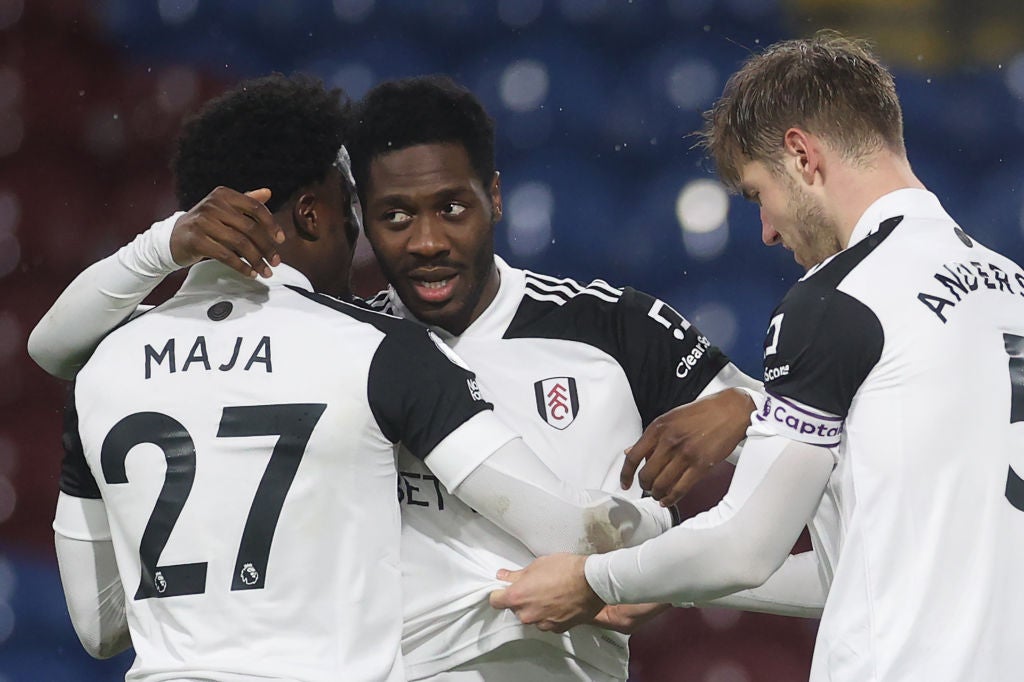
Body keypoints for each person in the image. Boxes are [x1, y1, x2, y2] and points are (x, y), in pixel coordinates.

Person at [30, 75, 813, 681]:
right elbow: (583, 537)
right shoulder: (360, 348)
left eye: (453, 208)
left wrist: (745, 405)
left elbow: (805, 451)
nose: (429, 241)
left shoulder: (613, 324)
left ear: (495, 199)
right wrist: (639, 557)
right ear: (352, 219)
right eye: (394, 217)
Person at [489, 31, 1024, 682]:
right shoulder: (1011, 286)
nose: (767, 231)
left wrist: (592, 579)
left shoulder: (837, 300)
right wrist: (668, 580)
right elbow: (853, 565)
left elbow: (744, 545)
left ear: (801, 156)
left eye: (756, 194)